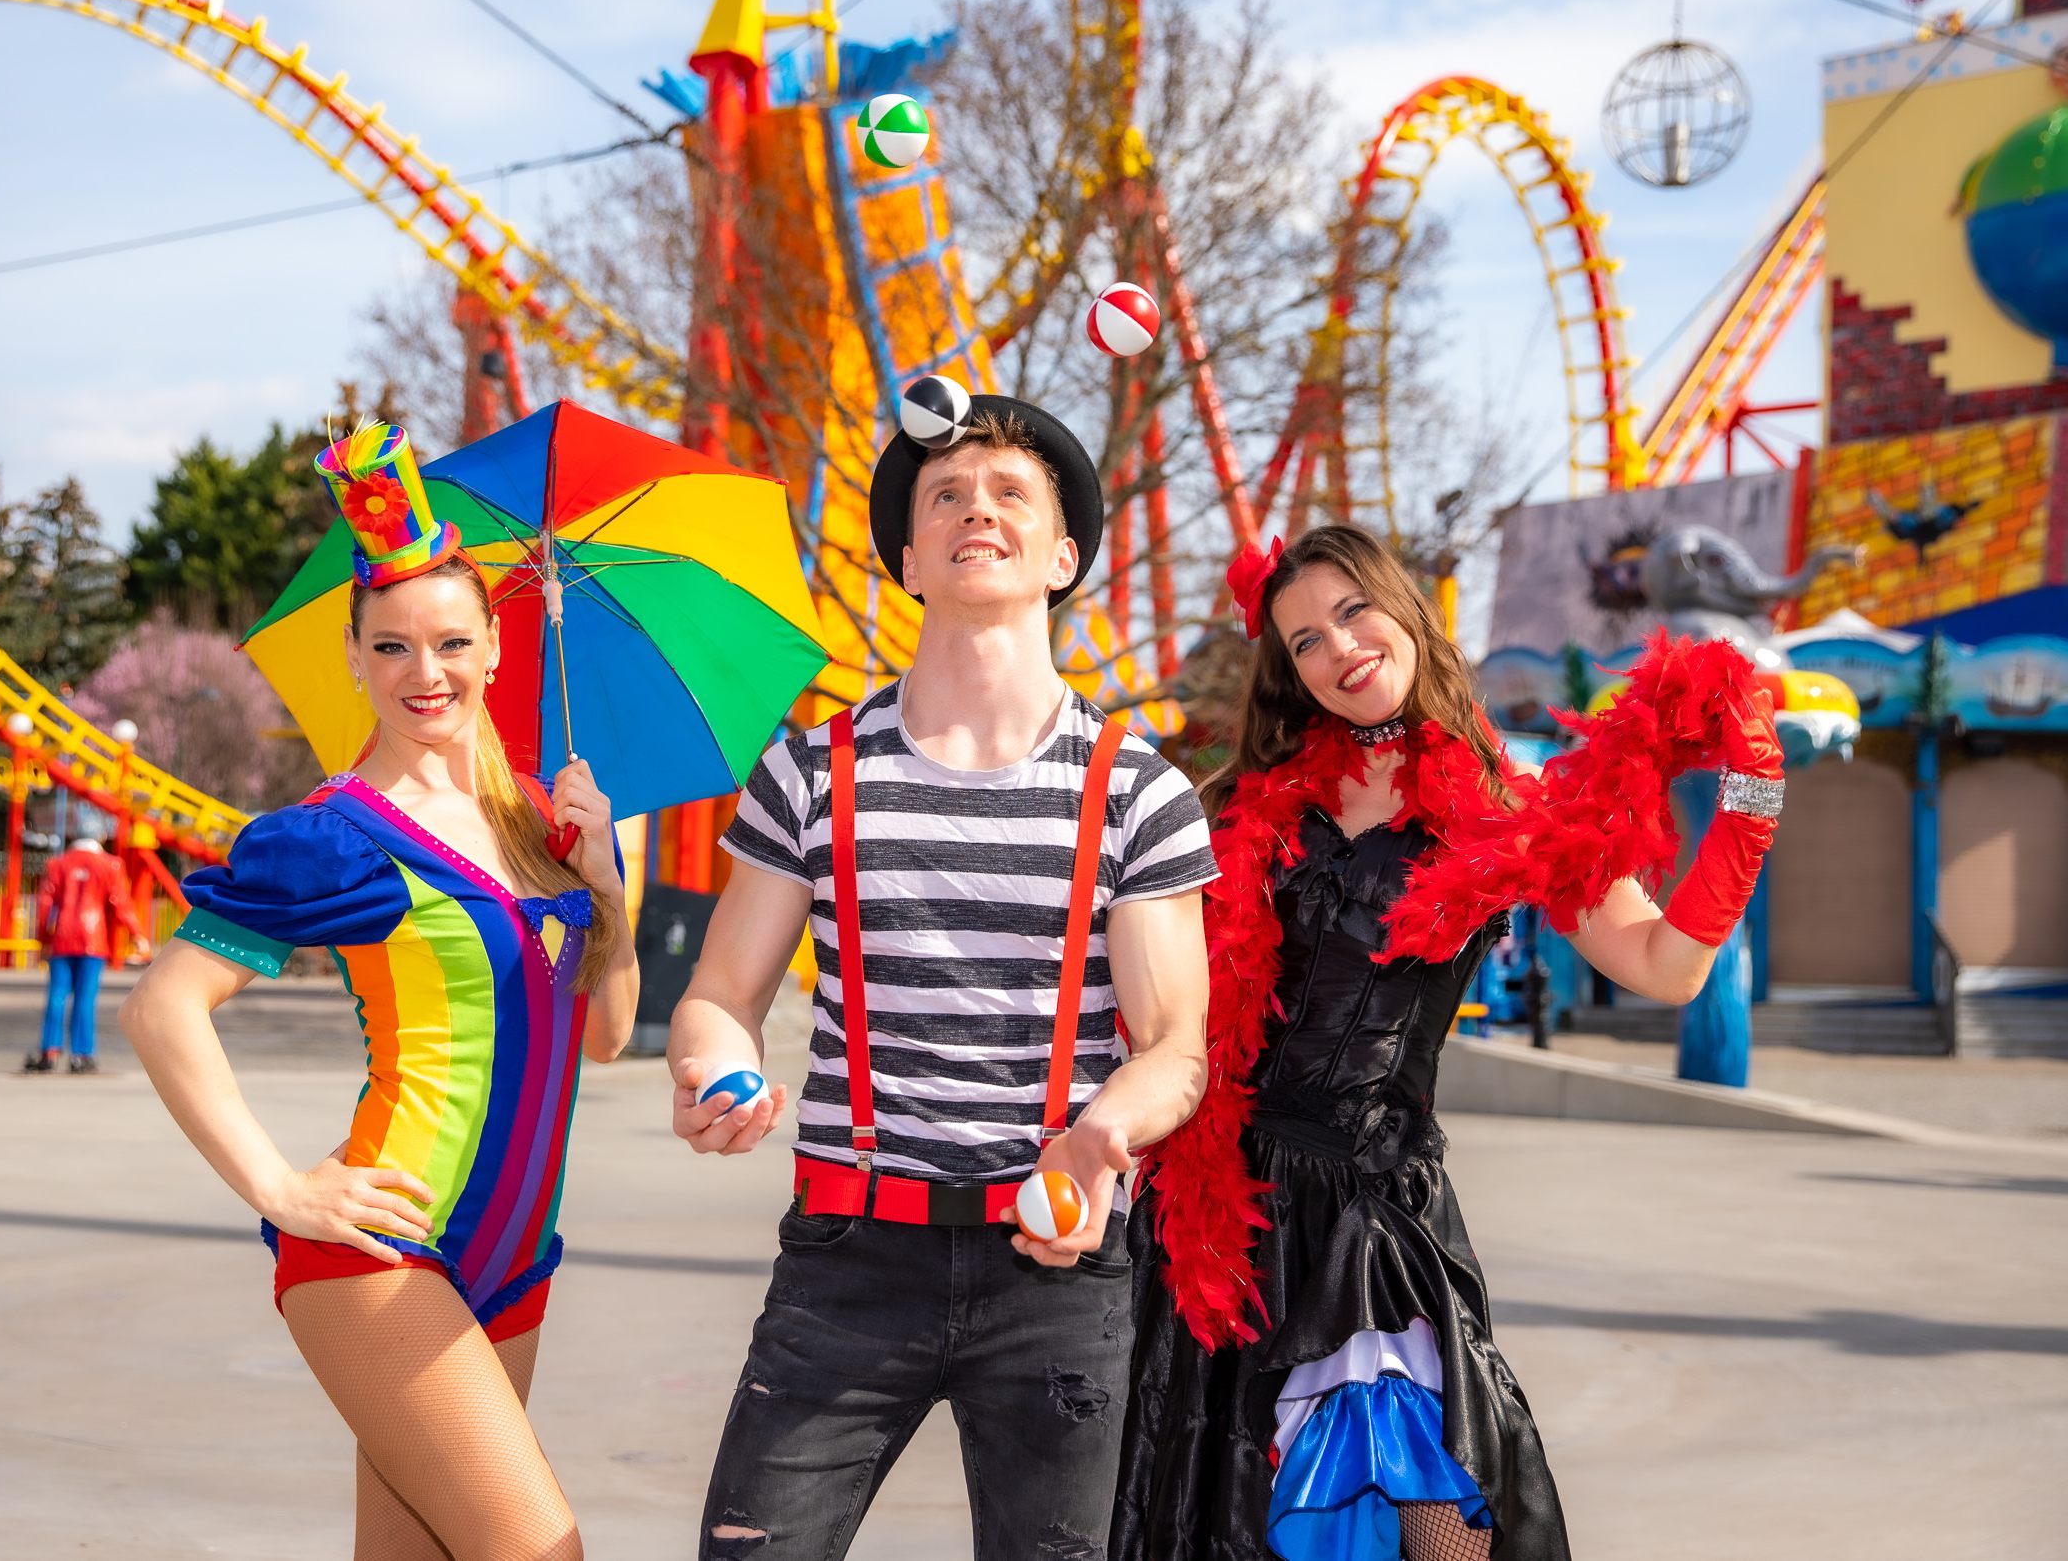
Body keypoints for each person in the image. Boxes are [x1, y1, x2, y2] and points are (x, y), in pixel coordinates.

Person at [1113, 525, 1785, 1561]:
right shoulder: (1245, 805)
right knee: (1216, 1511)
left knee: (1441, 1506)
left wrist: (1751, 801)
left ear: (1405, 609)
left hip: (1374, 1218)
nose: (1338, 647)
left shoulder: (1511, 807)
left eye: (1352, 611)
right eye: (1304, 640)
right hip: (1219, 1205)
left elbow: (1667, 966)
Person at [669, 397, 1216, 1559]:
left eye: (1012, 492)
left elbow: (1175, 1044)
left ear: (1063, 556)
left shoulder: (1139, 791)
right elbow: (721, 993)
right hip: (848, 1257)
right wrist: (713, 1067)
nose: (979, 509)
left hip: (1058, 1267)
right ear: (910, 560)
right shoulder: (809, 773)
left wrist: (1102, 1131)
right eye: (947, 495)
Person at [120, 421, 638, 1561]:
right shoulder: (336, 839)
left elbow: (604, 1035)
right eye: (392, 646)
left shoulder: (543, 825)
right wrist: (279, 1187)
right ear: (354, 657)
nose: (425, 671)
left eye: (450, 641)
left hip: (517, 1257)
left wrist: (604, 883)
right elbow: (163, 1005)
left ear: (494, 648)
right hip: (387, 1250)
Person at [24, 835, 146, 1074]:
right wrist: (137, 934)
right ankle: (81, 1055)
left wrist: (43, 938)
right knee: (85, 998)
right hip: (94, 940)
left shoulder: (57, 864)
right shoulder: (110, 864)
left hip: (62, 938)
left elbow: (45, 904)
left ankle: (49, 1052)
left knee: (56, 996)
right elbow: (120, 902)